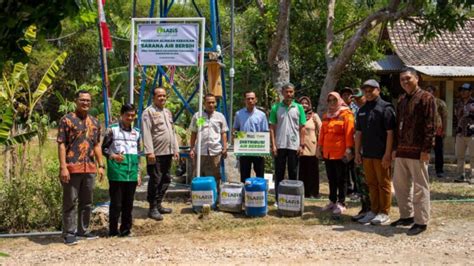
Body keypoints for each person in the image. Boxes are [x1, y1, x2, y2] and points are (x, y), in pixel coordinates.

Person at [391, 67, 435, 236]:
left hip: (418, 151)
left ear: (417, 78)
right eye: (402, 79)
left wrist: (426, 149)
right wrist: (395, 147)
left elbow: (430, 125)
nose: (405, 81)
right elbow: (397, 126)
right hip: (402, 150)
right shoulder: (401, 100)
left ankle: (421, 221)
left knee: (420, 187)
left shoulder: (426, 98)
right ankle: (406, 215)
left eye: (408, 78)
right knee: (400, 185)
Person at [57, 90, 104, 245]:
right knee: (70, 201)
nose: (85, 103)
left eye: (88, 100)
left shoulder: (95, 122)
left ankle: (82, 231)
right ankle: (69, 233)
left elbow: (97, 145)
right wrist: (63, 166)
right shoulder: (67, 120)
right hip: (72, 167)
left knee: (87, 202)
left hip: (90, 168)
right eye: (82, 100)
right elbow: (62, 144)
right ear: (76, 101)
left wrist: (101, 165)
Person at [354, 80, 396, 225]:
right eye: (366, 91)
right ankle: (373, 210)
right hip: (367, 154)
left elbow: (390, 133)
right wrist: (357, 152)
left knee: (383, 183)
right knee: (371, 183)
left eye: (371, 90)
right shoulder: (362, 110)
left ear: (378, 90)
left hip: (381, 154)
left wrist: (388, 153)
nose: (368, 93)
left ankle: (384, 212)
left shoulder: (386, 108)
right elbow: (358, 133)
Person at [102, 104, 141, 237]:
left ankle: (126, 230)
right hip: (117, 173)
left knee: (128, 204)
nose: (130, 118)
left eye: (132, 115)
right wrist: (113, 156)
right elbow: (104, 149)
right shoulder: (112, 130)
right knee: (116, 204)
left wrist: (138, 173)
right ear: (122, 115)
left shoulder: (137, 133)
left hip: (131, 174)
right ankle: (112, 231)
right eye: (127, 115)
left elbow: (138, 154)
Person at [142, 87, 179, 221]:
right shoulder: (148, 112)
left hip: (167, 152)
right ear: (153, 97)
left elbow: (172, 131)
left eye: (164, 96)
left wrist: (175, 148)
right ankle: (152, 208)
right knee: (155, 180)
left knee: (166, 179)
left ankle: (158, 204)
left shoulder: (167, 112)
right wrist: (149, 152)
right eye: (159, 96)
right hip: (156, 153)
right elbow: (146, 133)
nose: (162, 98)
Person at [317, 92, 354, 215]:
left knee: (342, 179)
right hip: (328, 153)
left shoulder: (346, 114)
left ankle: (341, 202)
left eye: (334, 100)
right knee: (331, 178)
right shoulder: (326, 115)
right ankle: (332, 201)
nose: (332, 102)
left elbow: (349, 133)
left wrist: (349, 149)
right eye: (330, 100)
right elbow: (322, 133)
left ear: (339, 100)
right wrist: (319, 147)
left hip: (341, 153)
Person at [269, 83, 306, 202]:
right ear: (282, 93)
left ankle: (293, 198)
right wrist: (273, 145)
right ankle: (278, 199)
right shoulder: (276, 108)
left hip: (294, 145)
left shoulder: (299, 107)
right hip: (280, 145)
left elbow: (302, 127)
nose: (289, 94)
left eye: (291, 92)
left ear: (294, 92)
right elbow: (272, 127)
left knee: (293, 172)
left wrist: (301, 144)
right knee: (279, 173)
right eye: (286, 92)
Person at [189, 93, 229, 184]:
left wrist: (225, 148)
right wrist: (192, 148)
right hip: (200, 150)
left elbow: (223, 133)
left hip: (215, 150)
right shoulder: (198, 116)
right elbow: (194, 133)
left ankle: (216, 194)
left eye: (213, 102)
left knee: (216, 174)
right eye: (208, 102)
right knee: (197, 173)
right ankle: (196, 194)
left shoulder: (220, 116)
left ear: (215, 103)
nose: (211, 104)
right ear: (204, 103)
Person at [233, 91, 269, 182]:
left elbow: (265, 131)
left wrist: (265, 148)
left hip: (258, 149)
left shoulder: (262, 115)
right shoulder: (239, 114)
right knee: (244, 175)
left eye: (252, 98)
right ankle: (245, 193)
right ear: (244, 100)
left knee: (259, 174)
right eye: (248, 98)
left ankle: (259, 193)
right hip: (244, 149)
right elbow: (235, 129)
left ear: (256, 100)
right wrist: (235, 140)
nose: (250, 100)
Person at [349, 88, 372, 221]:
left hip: (370, 153)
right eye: (355, 99)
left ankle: (372, 209)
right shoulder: (359, 112)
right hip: (359, 152)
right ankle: (365, 208)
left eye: (360, 98)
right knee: (360, 183)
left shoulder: (372, 110)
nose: (357, 101)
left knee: (369, 182)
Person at [298, 96, 322, 198]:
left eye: (306, 103)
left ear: (310, 105)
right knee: (302, 170)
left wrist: (320, 147)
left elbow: (321, 131)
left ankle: (313, 192)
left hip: (312, 146)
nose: (304, 105)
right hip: (300, 146)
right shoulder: (297, 115)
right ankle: (304, 192)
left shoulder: (314, 116)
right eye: (302, 103)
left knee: (313, 170)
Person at [425, 85, 448, 178]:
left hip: (437, 130)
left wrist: (444, 130)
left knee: (438, 151)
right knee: (425, 150)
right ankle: (424, 169)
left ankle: (439, 170)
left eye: (429, 90)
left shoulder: (440, 103)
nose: (427, 92)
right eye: (427, 90)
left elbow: (445, 117)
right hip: (426, 131)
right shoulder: (424, 102)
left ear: (434, 92)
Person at [454, 83, 474, 183]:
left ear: (470, 92)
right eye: (461, 90)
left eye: (465, 90)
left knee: (473, 156)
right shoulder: (458, 103)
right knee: (460, 156)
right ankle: (460, 175)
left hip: (472, 133)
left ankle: (473, 176)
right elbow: (456, 117)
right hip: (460, 133)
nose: (463, 92)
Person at [340, 87, 358, 196]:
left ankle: (357, 189)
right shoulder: (339, 109)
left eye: (348, 94)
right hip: (343, 142)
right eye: (344, 95)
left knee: (354, 167)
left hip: (355, 141)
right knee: (345, 166)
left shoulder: (356, 107)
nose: (346, 96)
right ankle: (348, 189)